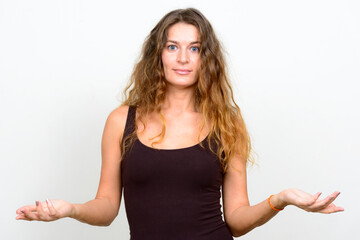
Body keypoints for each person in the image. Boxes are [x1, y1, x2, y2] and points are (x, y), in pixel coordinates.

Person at [15, 8, 343, 239]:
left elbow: (238, 220)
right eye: (173, 47)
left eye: (194, 49)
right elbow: (106, 208)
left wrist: (280, 199)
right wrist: (69, 209)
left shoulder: (227, 121)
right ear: (158, 54)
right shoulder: (121, 120)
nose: (183, 58)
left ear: (206, 58)